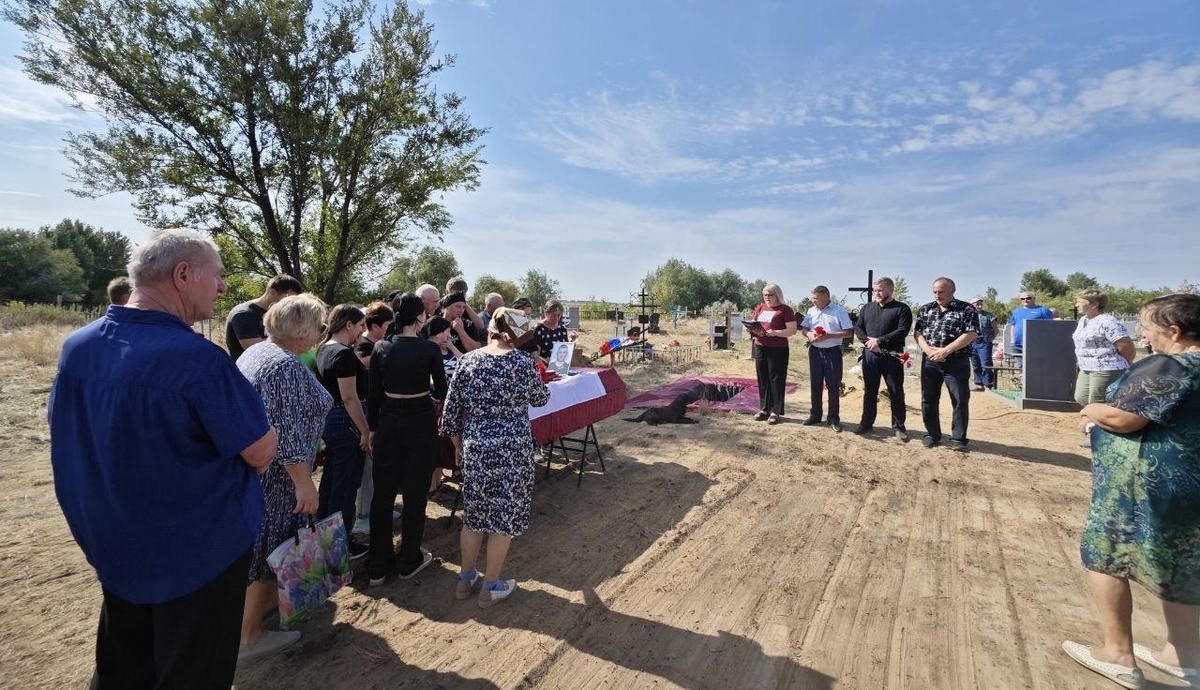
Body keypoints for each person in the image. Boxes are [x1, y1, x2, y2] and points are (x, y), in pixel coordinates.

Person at [50, 229, 277, 688]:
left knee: (124, 664)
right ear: (182, 274)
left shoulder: (79, 346)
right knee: (193, 670)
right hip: (196, 553)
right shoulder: (198, 360)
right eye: (216, 276)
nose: (223, 289)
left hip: (115, 545)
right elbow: (260, 450)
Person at [1063, 293, 1200, 690]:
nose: (1143, 332)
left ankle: (1118, 653)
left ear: (1174, 331)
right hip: (1189, 483)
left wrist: (1090, 411)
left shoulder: (1170, 364)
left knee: (1107, 553)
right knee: (1180, 560)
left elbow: (1126, 418)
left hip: (1144, 486)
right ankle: (1185, 656)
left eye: (1148, 325)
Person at [235, 293, 332, 659]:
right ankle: (251, 635)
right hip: (279, 478)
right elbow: (286, 433)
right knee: (270, 550)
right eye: (319, 326)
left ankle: (252, 619)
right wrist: (304, 483)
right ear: (304, 330)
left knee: (262, 549)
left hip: (258, 472)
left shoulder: (257, 352)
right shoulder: (285, 367)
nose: (321, 333)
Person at [441, 307, 550, 608]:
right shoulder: (523, 363)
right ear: (517, 335)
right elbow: (540, 399)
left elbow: (449, 416)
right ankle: (491, 585)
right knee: (504, 517)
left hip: (476, 447)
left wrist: (460, 446)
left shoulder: (467, 361)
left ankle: (465, 580)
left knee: (474, 517)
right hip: (514, 449)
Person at [366, 293, 448, 586]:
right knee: (415, 492)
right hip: (418, 420)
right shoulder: (429, 350)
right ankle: (408, 559)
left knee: (383, 493)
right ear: (419, 317)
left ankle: (377, 564)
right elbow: (441, 391)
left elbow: (373, 394)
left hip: (387, 420)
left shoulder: (380, 347)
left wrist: (373, 428)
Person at [314, 304, 371, 559]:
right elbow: (350, 398)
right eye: (360, 326)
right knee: (345, 486)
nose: (362, 331)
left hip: (330, 421)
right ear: (348, 324)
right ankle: (340, 547)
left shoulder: (322, 349)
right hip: (346, 421)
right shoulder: (344, 354)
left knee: (331, 482)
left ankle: (323, 540)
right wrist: (365, 430)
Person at [913, 277, 978, 451]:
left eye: (941, 292)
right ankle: (932, 434)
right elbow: (918, 332)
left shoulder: (966, 309)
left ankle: (958, 438)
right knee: (928, 399)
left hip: (956, 361)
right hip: (930, 361)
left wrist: (945, 351)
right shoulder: (926, 309)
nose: (937, 295)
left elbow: (971, 334)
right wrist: (928, 351)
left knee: (959, 399)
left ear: (952, 291)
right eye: (934, 291)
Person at [352, 300, 395, 538]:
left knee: (380, 463)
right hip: (368, 408)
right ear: (374, 325)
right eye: (387, 325)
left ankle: (379, 507)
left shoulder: (378, 344)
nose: (389, 330)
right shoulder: (365, 346)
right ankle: (363, 516)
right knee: (369, 466)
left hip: (378, 407)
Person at [853, 277, 913, 440]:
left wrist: (879, 341)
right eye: (875, 290)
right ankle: (866, 423)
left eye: (880, 290)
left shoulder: (902, 309)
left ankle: (899, 426)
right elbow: (858, 327)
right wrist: (868, 342)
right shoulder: (867, 308)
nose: (876, 293)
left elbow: (902, 330)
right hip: (870, 355)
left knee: (895, 391)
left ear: (890, 290)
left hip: (891, 356)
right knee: (870, 390)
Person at [800, 286, 854, 432]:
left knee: (833, 385)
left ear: (826, 297)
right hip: (815, 352)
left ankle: (833, 418)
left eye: (816, 298)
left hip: (832, 353)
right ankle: (815, 415)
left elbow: (849, 332)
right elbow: (804, 328)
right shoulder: (811, 311)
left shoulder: (839, 311)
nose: (813, 301)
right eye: (812, 298)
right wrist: (809, 334)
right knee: (815, 384)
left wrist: (829, 335)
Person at [1073, 289, 1136, 408]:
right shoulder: (1082, 320)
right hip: (1085, 366)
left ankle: (1100, 424)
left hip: (1106, 367)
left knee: (1097, 401)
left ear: (1095, 304)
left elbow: (1126, 346)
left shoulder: (1108, 322)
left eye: (1080, 301)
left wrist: (1124, 362)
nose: (1076, 305)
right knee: (1081, 397)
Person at [224, 274, 304, 360]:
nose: (291, 303)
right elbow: (254, 349)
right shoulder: (243, 314)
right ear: (272, 292)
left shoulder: (276, 313)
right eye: (288, 297)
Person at [750, 282, 798, 425]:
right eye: (764, 294)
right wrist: (752, 329)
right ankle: (764, 409)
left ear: (777, 295)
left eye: (770, 294)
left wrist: (775, 333)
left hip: (778, 348)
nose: (767, 297)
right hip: (760, 346)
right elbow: (754, 323)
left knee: (776, 380)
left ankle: (775, 411)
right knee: (763, 378)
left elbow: (792, 330)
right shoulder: (760, 308)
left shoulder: (785, 310)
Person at [1008, 290, 1054, 360]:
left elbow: (1051, 326)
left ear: (1034, 299)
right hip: (1018, 345)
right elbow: (1013, 326)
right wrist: (1012, 340)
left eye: (1028, 298)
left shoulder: (1043, 310)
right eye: (1022, 299)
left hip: (1035, 344)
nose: (1025, 300)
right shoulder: (1016, 311)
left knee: (1034, 367)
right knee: (1021, 367)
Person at [968, 297, 999, 391]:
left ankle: (988, 384)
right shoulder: (968, 316)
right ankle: (979, 384)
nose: (979, 306)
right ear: (972, 305)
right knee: (975, 363)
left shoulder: (988, 315)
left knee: (986, 363)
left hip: (984, 342)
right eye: (977, 304)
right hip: (972, 342)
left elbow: (996, 330)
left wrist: (989, 339)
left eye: (980, 304)